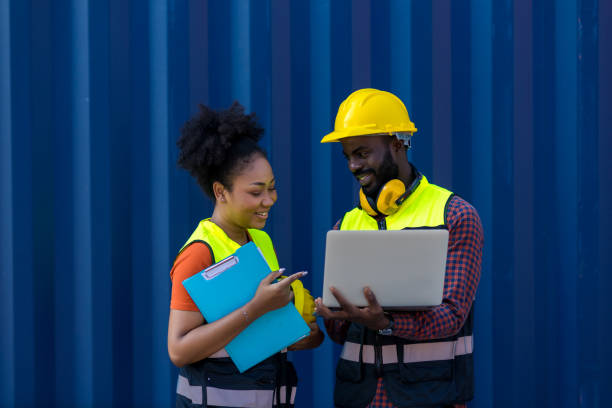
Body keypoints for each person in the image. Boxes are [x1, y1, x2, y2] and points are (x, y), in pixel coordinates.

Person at [314, 88, 483, 408]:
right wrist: (332, 315)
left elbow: (452, 316)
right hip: (359, 398)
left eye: (362, 153)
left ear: (397, 143)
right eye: (348, 156)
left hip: (431, 396)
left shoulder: (455, 215)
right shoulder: (344, 226)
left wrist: (387, 323)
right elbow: (340, 334)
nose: (353, 165)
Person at [168, 102, 324, 408]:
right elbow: (179, 350)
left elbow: (260, 338)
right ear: (220, 192)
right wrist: (257, 307)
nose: (269, 200)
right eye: (256, 192)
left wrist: (305, 329)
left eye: (272, 188)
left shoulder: (261, 241)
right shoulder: (200, 252)